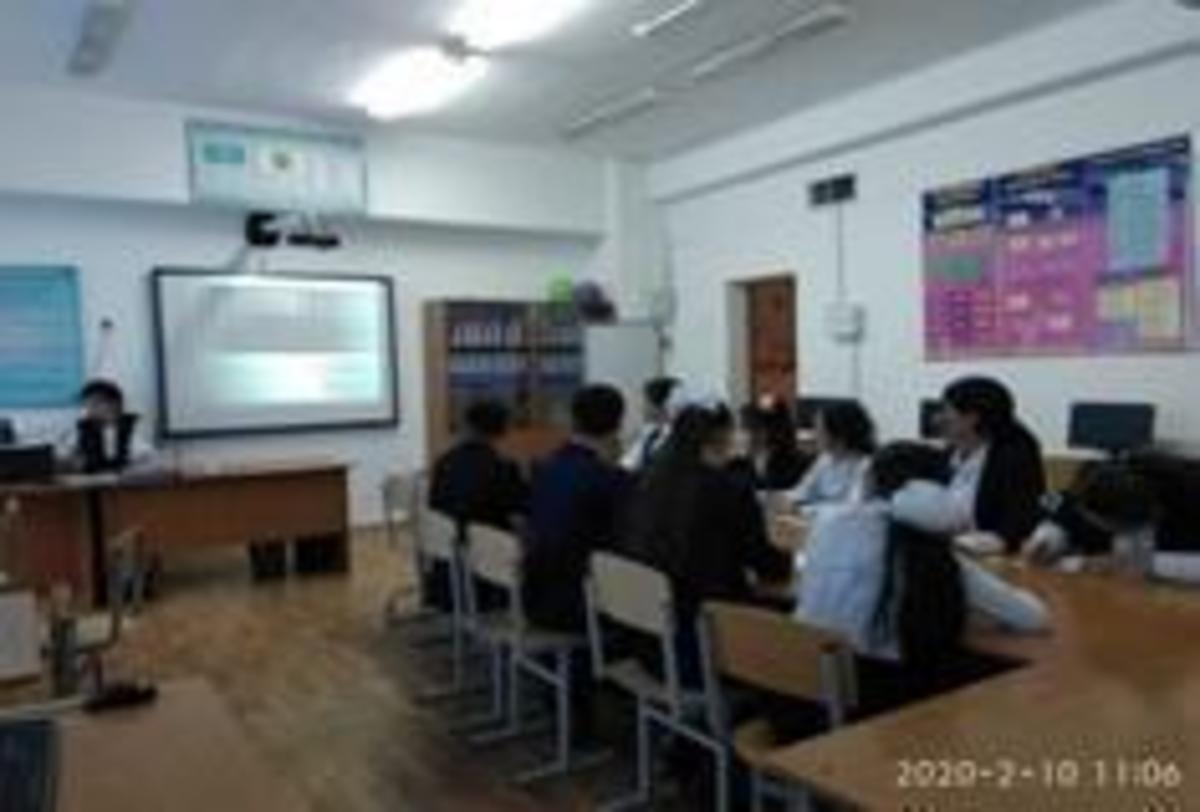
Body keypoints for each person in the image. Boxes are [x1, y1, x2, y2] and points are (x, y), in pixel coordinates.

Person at [798, 442, 1049, 713]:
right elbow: (1034, 618)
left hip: (805, 692)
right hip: (880, 709)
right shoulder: (925, 553)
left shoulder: (828, 524)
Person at [626, 401, 793, 684]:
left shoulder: (646, 478)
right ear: (722, 437)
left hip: (649, 640)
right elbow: (771, 568)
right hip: (705, 646)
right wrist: (787, 557)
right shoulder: (729, 490)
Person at [523, 384, 631, 633]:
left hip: (535, 598)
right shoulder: (612, 480)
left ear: (573, 420)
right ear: (618, 425)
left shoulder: (545, 468)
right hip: (582, 607)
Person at [1024, 455, 1200, 584]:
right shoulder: (1094, 484)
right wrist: (1048, 537)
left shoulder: (1190, 492)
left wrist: (1145, 563)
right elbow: (1064, 512)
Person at [426, 399, 529, 611]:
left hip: (447, 569)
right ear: (503, 431)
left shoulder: (445, 461)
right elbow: (523, 511)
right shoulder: (502, 468)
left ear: (467, 426)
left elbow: (434, 504)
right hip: (487, 575)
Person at [940, 377, 1046, 554]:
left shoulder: (1013, 456)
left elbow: (1019, 523)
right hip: (949, 545)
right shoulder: (952, 451)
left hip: (986, 554)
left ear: (972, 418)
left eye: (946, 411)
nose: (940, 418)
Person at [789, 399, 876, 511]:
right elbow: (801, 494)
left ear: (838, 434)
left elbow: (853, 509)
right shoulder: (825, 460)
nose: (815, 435)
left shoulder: (865, 466)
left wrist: (808, 510)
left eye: (820, 429)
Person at [70, 379, 155, 472]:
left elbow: (145, 457)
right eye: (86, 405)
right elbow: (70, 455)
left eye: (95, 404)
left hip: (129, 478)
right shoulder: (83, 428)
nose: (89, 410)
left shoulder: (134, 425)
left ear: (114, 404)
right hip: (90, 479)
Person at [730, 396, 810, 492]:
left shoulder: (797, 465)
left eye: (743, 429)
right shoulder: (735, 468)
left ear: (763, 431)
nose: (738, 436)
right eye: (737, 430)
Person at [620, 376, 681, 472]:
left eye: (645, 401)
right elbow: (628, 463)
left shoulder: (676, 435)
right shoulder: (649, 431)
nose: (642, 406)